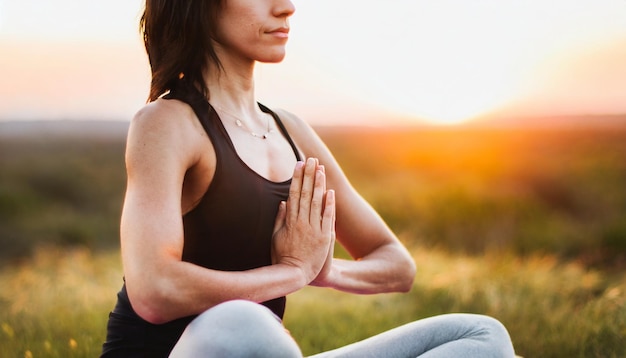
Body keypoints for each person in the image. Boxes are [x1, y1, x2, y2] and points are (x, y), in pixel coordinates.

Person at [101, 0, 516, 357]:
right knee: (243, 322)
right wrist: (292, 272)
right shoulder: (167, 123)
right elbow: (154, 290)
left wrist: (322, 270)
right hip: (200, 347)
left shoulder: (290, 131)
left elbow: (396, 265)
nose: (286, 7)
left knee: (480, 336)